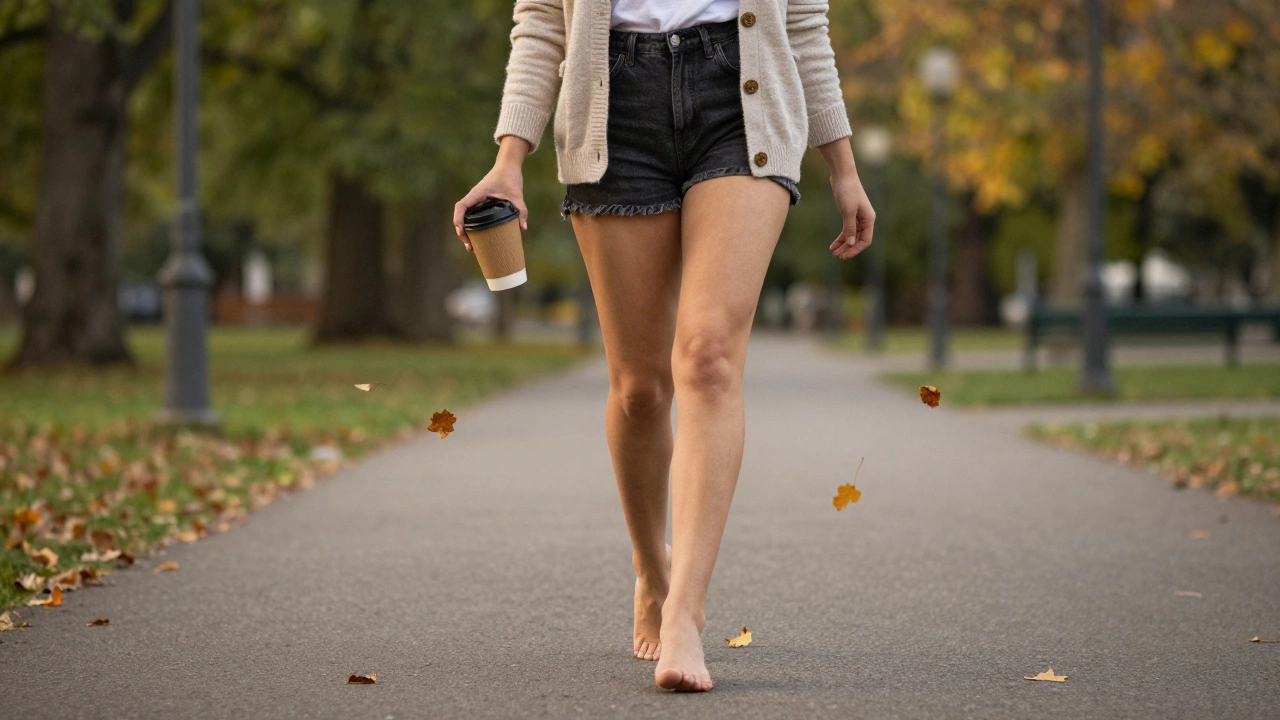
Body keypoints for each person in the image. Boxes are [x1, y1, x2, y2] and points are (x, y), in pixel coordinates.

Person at [453, 0, 876, 693]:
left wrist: (844, 165)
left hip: (744, 100)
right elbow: (540, 23)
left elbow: (802, 24)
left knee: (709, 358)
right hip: (611, 105)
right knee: (640, 389)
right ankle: (652, 569)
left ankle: (686, 610)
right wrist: (509, 158)